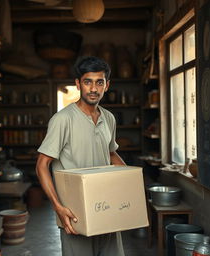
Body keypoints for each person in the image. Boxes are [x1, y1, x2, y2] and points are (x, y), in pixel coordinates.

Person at [36, 56, 126, 256]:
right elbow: (42, 165)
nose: (93, 89)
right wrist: (58, 207)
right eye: (87, 82)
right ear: (78, 84)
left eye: (99, 82)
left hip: (107, 206)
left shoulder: (109, 118)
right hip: (74, 213)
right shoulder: (62, 120)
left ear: (107, 85)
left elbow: (111, 153)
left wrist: (131, 184)